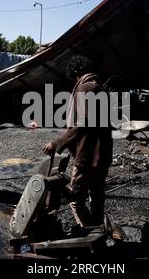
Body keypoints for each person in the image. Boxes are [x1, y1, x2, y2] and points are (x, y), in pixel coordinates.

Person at [43, 55, 113, 228]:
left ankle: (89, 234)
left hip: (89, 155)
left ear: (76, 72)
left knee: (75, 199)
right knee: (97, 197)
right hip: (102, 154)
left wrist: (57, 143)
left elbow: (84, 123)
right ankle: (98, 233)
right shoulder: (99, 87)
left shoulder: (85, 88)